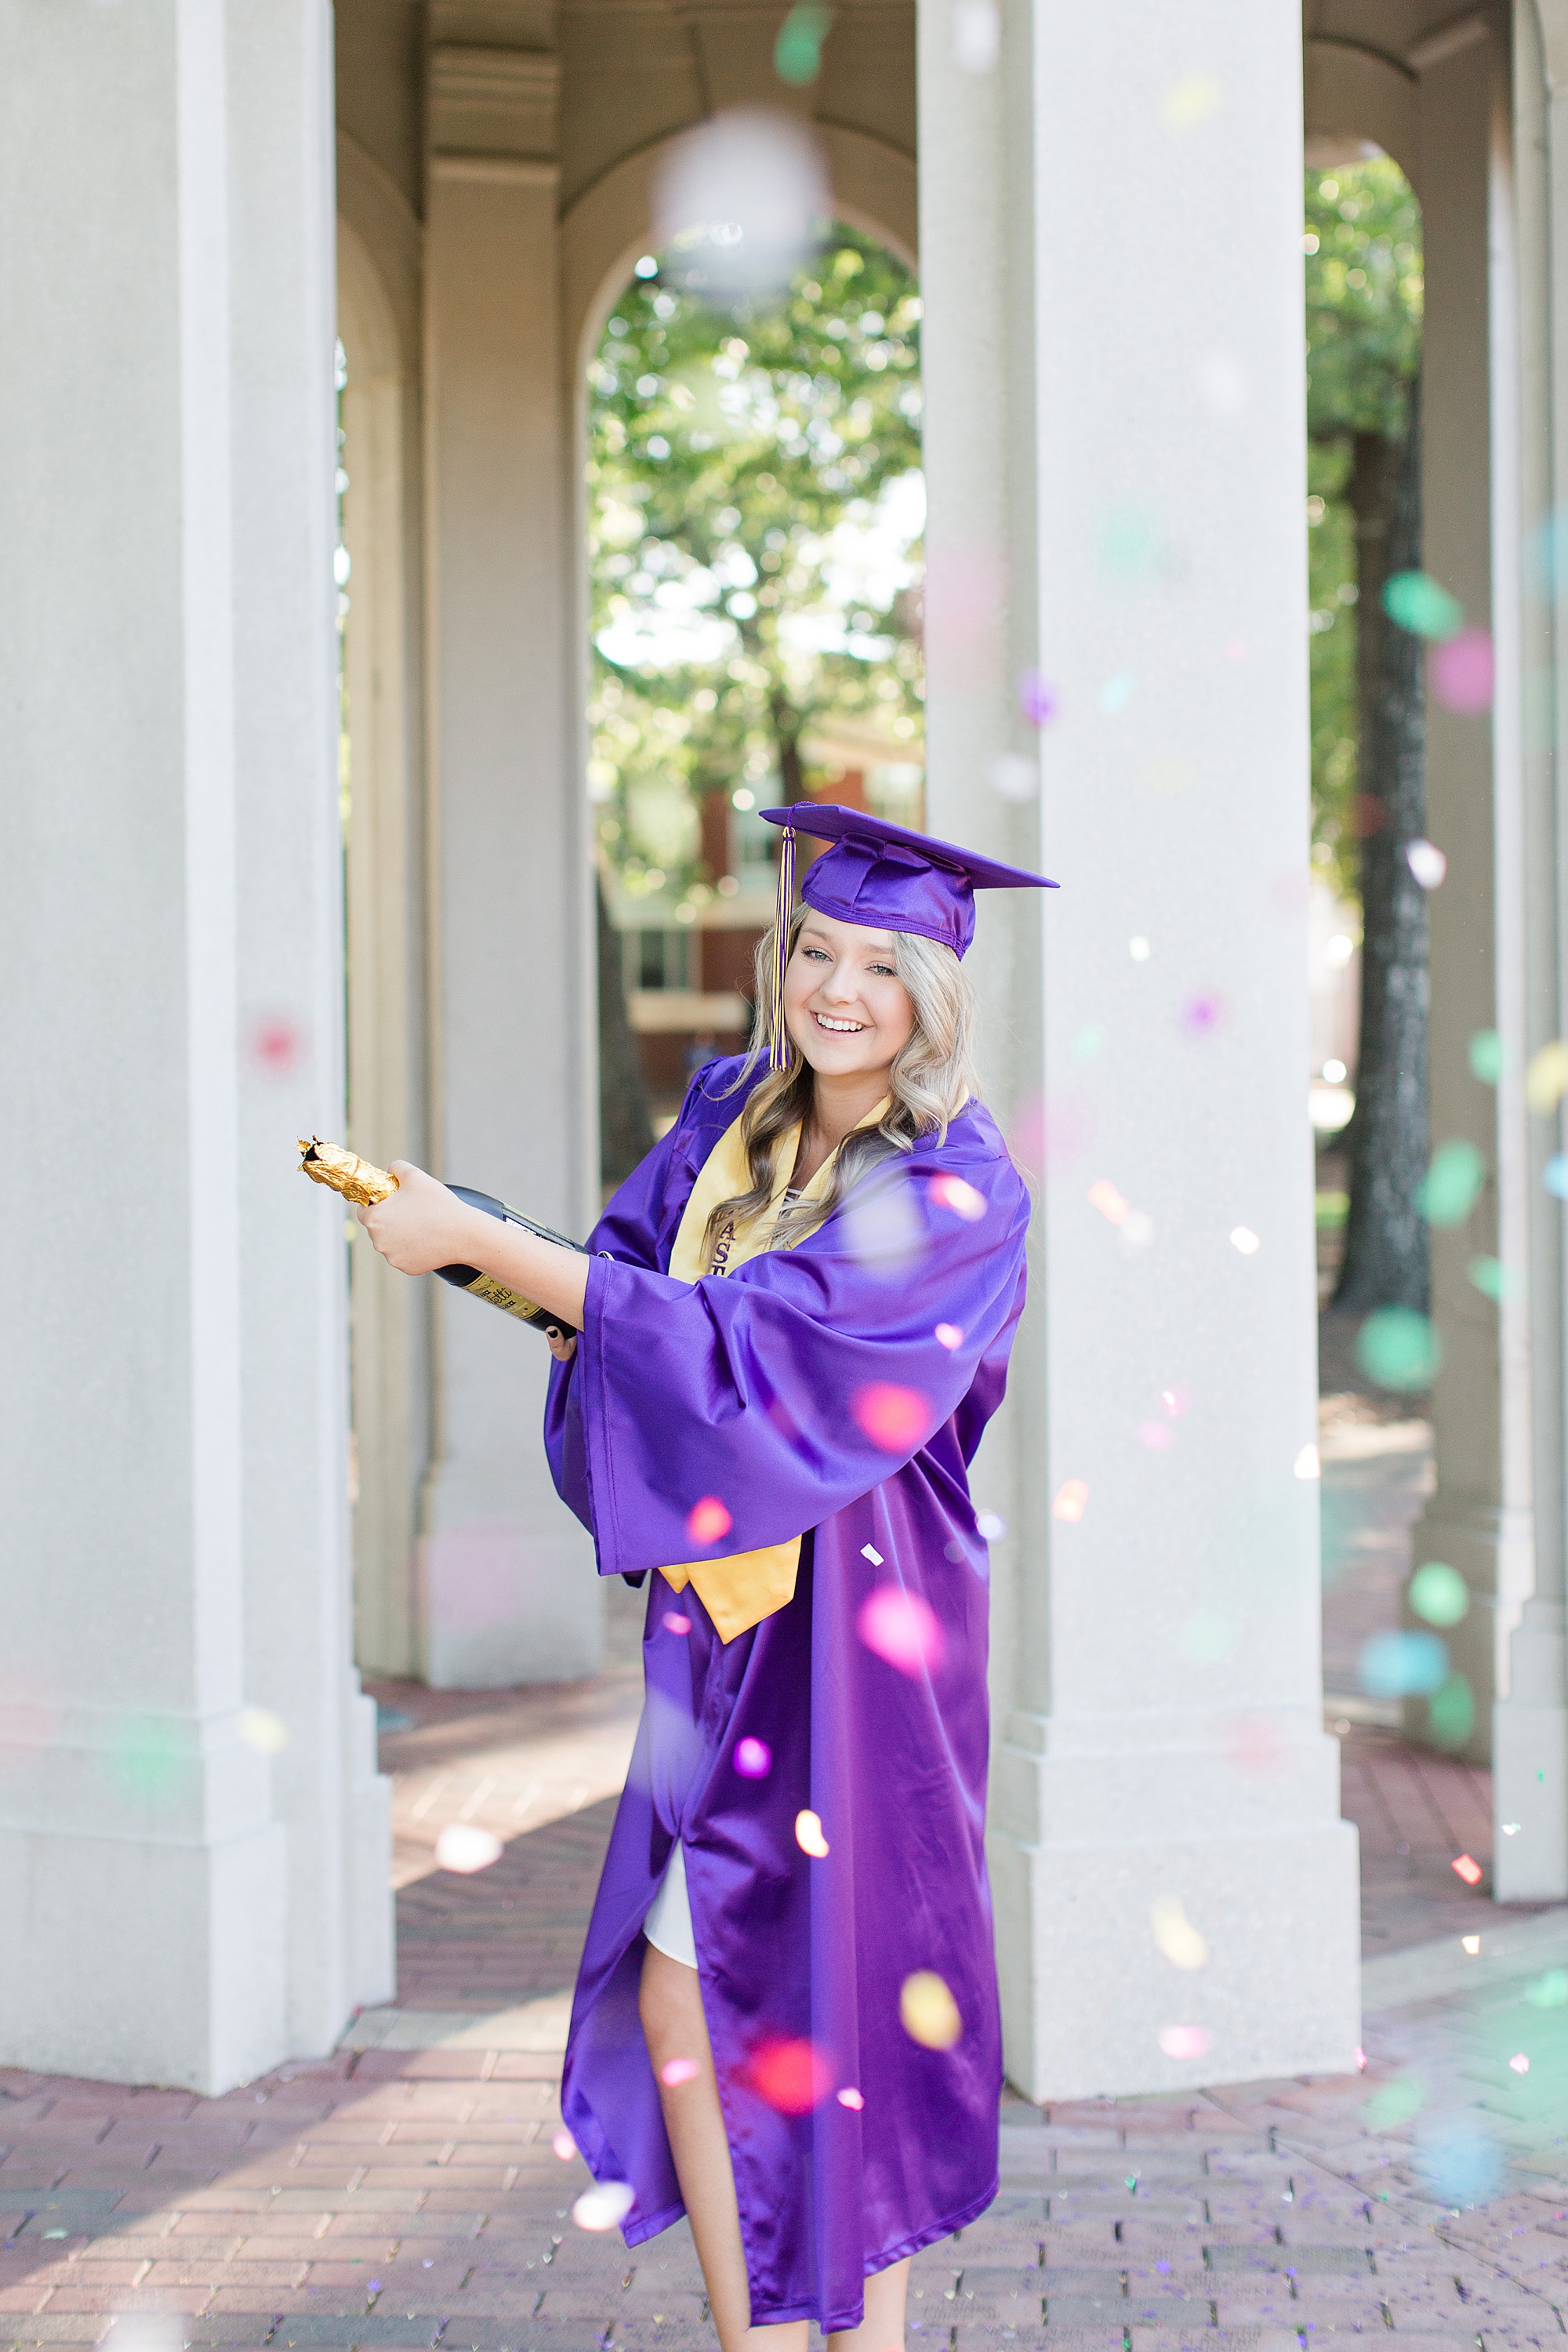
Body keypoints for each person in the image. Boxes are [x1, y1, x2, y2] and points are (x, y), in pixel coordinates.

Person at [355, 804, 1056, 2352]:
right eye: (817, 947)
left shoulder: (955, 1189)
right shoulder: (735, 1108)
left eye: (883, 963)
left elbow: (755, 1352)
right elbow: (628, 1284)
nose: (838, 987)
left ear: (934, 996)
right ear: (780, 955)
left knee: (797, 2000)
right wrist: (487, 1260)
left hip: (858, 1641)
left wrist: (479, 1236)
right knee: (750, 2001)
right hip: (726, 1631)